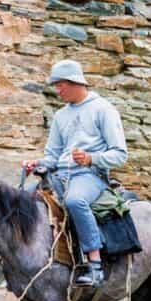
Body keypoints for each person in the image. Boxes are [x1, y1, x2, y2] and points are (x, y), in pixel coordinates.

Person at [22, 59, 128, 288]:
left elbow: (120, 154)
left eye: (60, 85)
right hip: (59, 175)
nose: (57, 90)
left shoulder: (103, 109)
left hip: (90, 176)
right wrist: (37, 162)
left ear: (75, 82)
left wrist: (92, 159)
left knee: (75, 200)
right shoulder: (61, 116)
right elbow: (52, 156)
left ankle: (95, 265)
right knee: (22, 200)